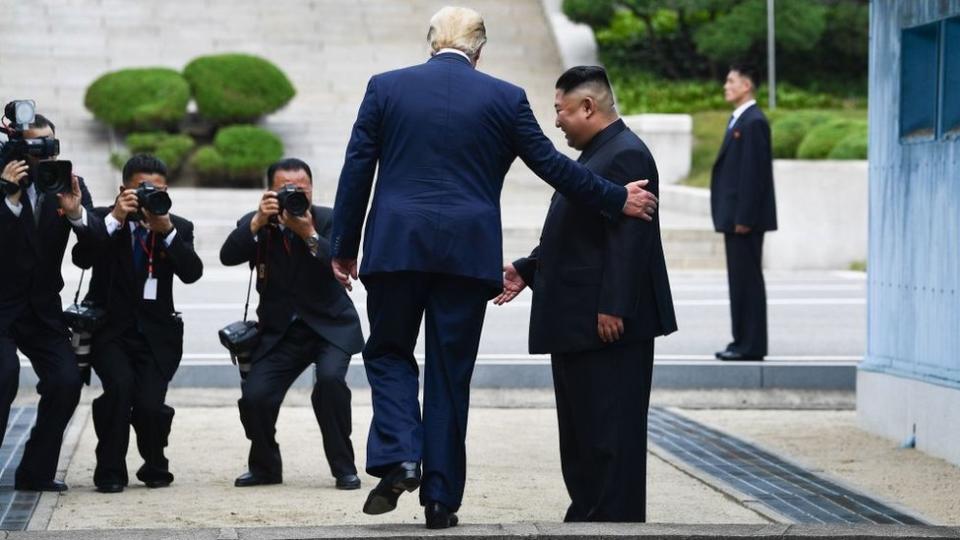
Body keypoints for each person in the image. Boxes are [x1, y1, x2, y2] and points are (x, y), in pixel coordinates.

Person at [330, 7, 659, 529]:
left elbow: (357, 169)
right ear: (479, 52)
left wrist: (343, 246)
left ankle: (399, 454)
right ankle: (440, 500)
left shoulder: (385, 88)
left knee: (389, 351)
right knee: (449, 372)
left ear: (431, 43)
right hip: (467, 256)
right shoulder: (504, 98)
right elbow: (553, 166)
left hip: (397, 247)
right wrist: (615, 197)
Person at [498, 66, 677, 522]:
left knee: (609, 432)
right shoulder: (599, 154)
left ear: (587, 107)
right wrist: (527, 268)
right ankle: (589, 513)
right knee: (583, 430)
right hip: (580, 321)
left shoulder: (626, 155)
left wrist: (613, 306)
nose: (556, 120)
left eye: (559, 110)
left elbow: (630, 239)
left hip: (606, 323)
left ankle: (610, 520)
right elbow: (577, 231)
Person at [220, 158, 364, 491]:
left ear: (311, 189)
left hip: (330, 326)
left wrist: (309, 234)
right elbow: (228, 255)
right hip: (281, 332)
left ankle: (344, 468)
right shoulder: (260, 222)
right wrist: (257, 221)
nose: (294, 194)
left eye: (301, 188)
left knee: (329, 384)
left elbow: (340, 262)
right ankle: (266, 466)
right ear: (270, 191)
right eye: (285, 188)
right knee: (255, 397)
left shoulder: (329, 219)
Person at [71, 154, 203, 493]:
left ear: (166, 190)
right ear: (123, 189)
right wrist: (115, 217)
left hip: (158, 336)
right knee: (119, 390)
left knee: (148, 404)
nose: (147, 196)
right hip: (109, 331)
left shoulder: (178, 225)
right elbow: (82, 257)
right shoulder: (103, 220)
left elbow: (192, 273)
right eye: (140, 189)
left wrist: (168, 232)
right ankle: (110, 470)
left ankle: (155, 462)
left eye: (155, 189)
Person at [0, 113, 107, 492]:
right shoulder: (1, 186)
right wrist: (8, 199)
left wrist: (78, 214)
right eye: (35, 147)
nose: (44, 155)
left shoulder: (66, 184)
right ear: (15, 148)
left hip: (42, 308)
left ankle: (35, 473)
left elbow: (93, 253)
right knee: (3, 376)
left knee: (65, 381)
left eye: (50, 145)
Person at [710, 64, 778, 362]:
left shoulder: (753, 122)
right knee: (739, 282)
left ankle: (750, 345)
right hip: (735, 218)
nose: (726, 85)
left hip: (744, 221)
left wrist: (744, 218)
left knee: (747, 282)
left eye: (731, 81)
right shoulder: (740, 119)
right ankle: (741, 341)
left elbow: (754, 174)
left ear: (747, 85)